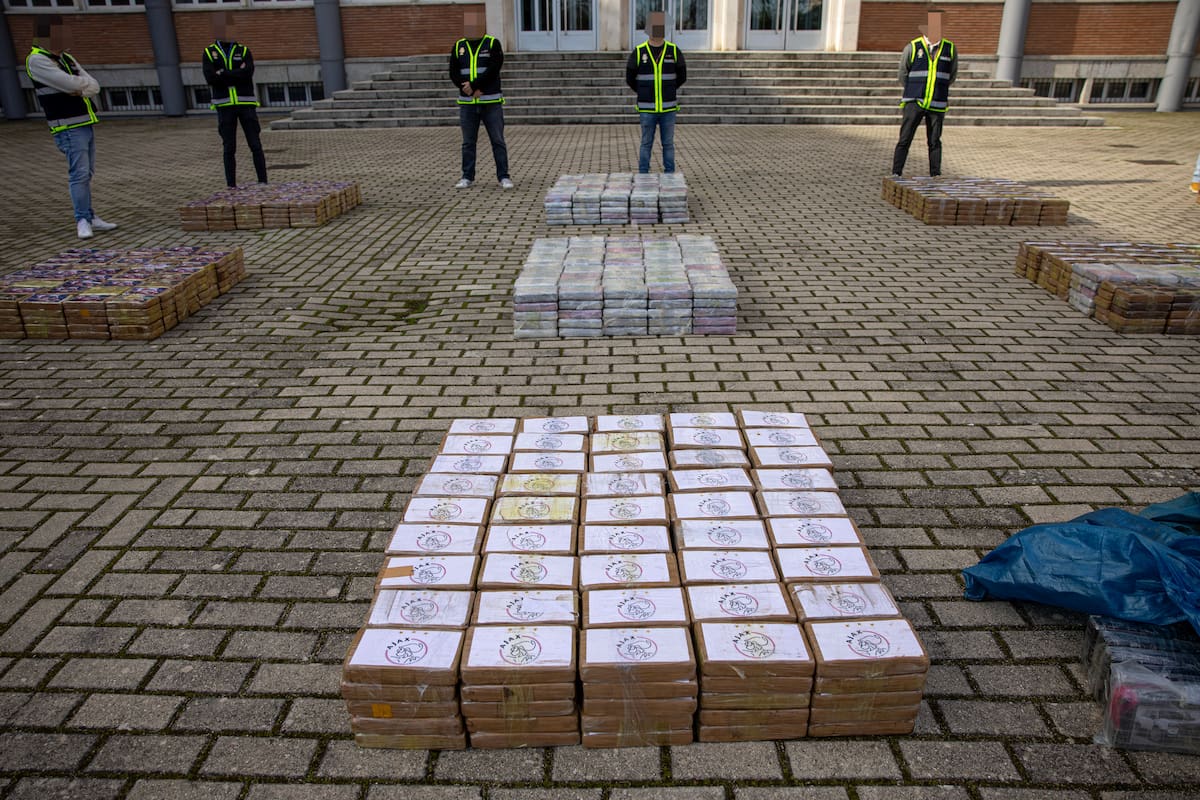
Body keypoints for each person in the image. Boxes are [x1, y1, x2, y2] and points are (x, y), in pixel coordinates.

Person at [25, 15, 117, 240]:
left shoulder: (66, 58)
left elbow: (92, 85)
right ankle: (82, 220)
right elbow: (71, 84)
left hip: (84, 121)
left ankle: (90, 215)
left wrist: (79, 87)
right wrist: (78, 86)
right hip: (66, 126)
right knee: (79, 174)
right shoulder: (37, 60)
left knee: (87, 173)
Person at [203, 12, 268, 188]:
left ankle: (263, 181)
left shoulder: (243, 51)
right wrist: (234, 74)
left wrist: (223, 72)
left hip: (245, 104)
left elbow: (247, 73)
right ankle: (231, 185)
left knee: (255, 144)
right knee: (229, 147)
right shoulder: (209, 53)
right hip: (224, 106)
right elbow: (210, 78)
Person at [891, 10, 957, 178]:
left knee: (934, 141)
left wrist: (938, 90)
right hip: (914, 101)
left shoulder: (949, 49)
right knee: (905, 139)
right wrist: (913, 90)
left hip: (937, 103)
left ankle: (935, 174)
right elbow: (902, 73)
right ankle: (896, 173)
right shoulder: (913, 47)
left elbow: (951, 75)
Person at [450, 11, 512, 190]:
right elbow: (453, 72)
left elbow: (494, 69)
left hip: (490, 102)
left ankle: (503, 176)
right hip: (468, 104)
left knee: (498, 141)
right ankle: (467, 176)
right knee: (468, 142)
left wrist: (476, 86)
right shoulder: (458, 46)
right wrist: (467, 90)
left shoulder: (492, 43)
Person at [626, 11, 686, 174]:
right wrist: (644, 92)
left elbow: (682, 76)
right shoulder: (639, 52)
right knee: (646, 143)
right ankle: (643, 174)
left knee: (668, 144)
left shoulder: (673, 51)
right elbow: (630, 78)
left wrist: (669, 90)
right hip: (647, 109)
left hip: (668, 109)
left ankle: (669, 175)